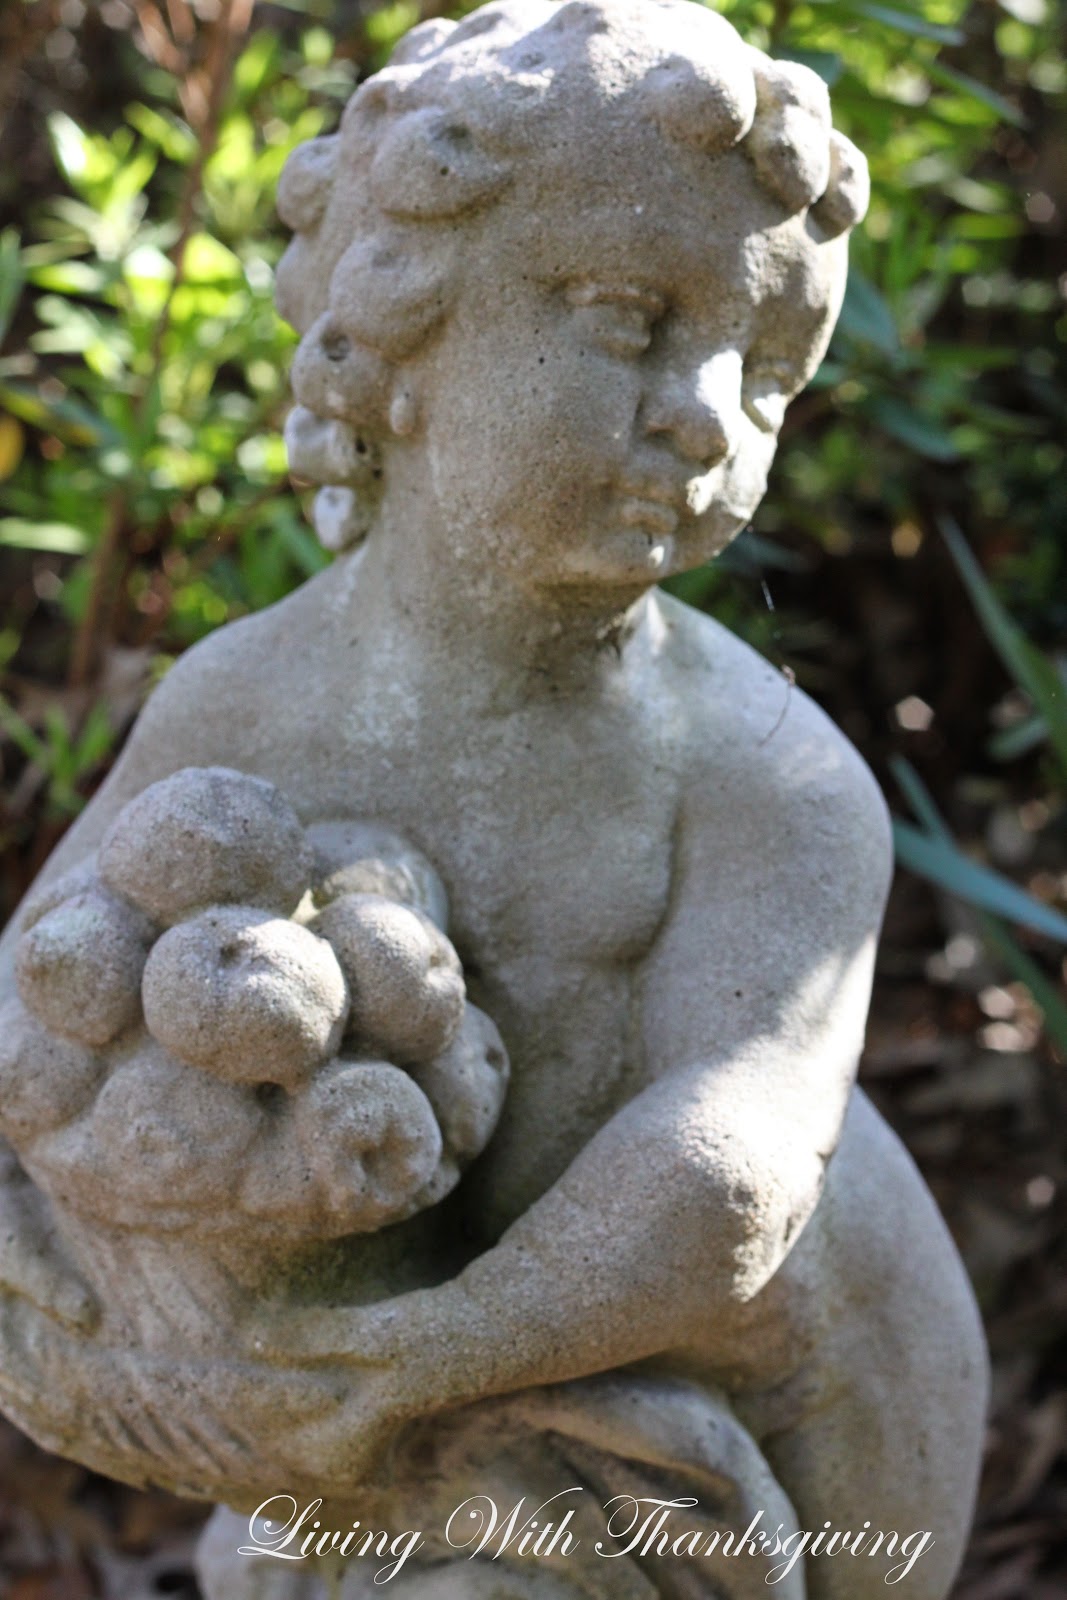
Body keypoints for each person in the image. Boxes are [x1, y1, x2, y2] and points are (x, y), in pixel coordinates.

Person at [0, 3, 987, 1595]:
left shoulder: (763, 775)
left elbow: (730, 1163)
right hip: (376, 1402)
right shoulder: (241, 700)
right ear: (402, 327)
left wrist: (449, 1346)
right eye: (627, 319)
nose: (708, 413)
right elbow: (45, 1007)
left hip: (745, 1433)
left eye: (764, 371)